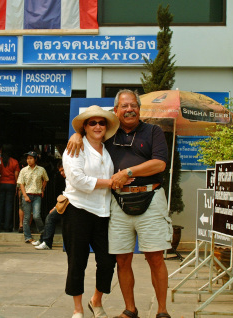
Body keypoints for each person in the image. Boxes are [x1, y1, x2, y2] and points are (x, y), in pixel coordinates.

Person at [67, 90, 172, 318]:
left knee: (155, 257)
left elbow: (160, 164)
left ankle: (162, 311)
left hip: (151, 198)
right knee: (122, 259)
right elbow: (90, 131)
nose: (129, 109)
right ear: (116, 111)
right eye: (124, 106)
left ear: (139, 108)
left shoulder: (153, 132)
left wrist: (128, 172)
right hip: (119, 203)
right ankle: (130, 310)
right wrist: (76, 135)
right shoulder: (109, 136)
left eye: (133, 105)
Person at [61, 105, 120, 318]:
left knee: (107, 260)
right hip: (78, 210)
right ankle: (77, 308)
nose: (97, 126)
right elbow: (77, 180)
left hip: (104, 212)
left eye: (101, 122)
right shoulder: (75, 147)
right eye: (92, 122)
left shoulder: (108, 149)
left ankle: (96, 300)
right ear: (84, 127)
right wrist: (111, 182)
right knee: (77, 260)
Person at [17, 151, 49, 243]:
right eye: (28, 158)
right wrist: (25, 195)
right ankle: (27, 236)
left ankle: (43, 231)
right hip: (27, 195)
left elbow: (45, 179)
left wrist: (42, 189)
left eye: (31, 158)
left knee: (36, 215)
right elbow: (21, 184)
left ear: (35, 159)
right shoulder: (23, 170)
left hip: (37, 195)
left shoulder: (41, 169)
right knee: (26, 217)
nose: (29, 160)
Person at [34, 161, 66, 250]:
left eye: (63, 170)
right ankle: (43, 239)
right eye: (60, 171)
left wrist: (56, 207)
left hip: (72, 205)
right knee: (50, 217)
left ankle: (46, 242)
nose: (62, 173)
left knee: (50, 217)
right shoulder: (67, 179)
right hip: (66, 204)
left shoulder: (73, 177)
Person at [0, 144, 20, 232]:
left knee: (0, 205)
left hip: (1, 184)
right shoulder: (15, 162)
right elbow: (16, 175)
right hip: (11, 184)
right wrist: (17, 187)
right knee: (9, 206)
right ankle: (7, 226)